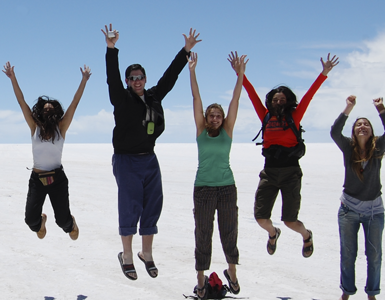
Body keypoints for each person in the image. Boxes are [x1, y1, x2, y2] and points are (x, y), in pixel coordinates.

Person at [101, 24, 200, 280]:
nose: (136, 81)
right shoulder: (121, 98)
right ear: (127, 81)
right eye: (132, 78)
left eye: (140, 77)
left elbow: (170, 76)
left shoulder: (154, 96)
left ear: (145, 79)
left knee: (153, 205)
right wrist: (111, 50)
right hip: (126, 160)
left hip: (149, 158)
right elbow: (112, 78)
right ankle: (127, 255)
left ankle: (147, 253)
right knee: (129, 205)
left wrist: (185, 51)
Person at [243, 53, 339, 258]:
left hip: (291, 173)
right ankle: (273, 233)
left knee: (290, 220)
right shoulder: (265, 116)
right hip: (269, 172)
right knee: (261, 218)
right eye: (275, 99)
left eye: (282, 99)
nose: (279, 102)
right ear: (271, 101)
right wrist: (241, 75)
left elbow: (309, 96)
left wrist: (323, 74)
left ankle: (306, 235)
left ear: (288, 102)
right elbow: (252, 96)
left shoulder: (294, 117)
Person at [1, 61, 90, 241]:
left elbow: (75, 102)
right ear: (40, 113)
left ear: (56, 113)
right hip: (37, 179)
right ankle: (41, 221)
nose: (48, 112)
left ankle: (70, 223)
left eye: (51, 110)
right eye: (45, 109)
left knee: (62, 221)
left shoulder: (61, 127)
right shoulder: (34, 127)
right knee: (30, 221)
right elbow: (21, 101)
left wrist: (84, 81)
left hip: (57, 178)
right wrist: (12, 78)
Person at [188, 51, 246, 298]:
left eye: (218, 116)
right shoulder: (201, 130)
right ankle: (201, 278)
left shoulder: (228, 131)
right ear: (205, 118)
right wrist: (192, 71)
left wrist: (240, 75)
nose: (214, 118)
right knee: (203, 234)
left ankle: (232, 273)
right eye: (211, 115)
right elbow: (196, 97)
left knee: (229, 231)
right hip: (203, 188)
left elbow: (235, 100)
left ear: (223, 119)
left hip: (226, 188)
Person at [331, 95, 385, 300]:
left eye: (366, 124)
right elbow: (334, 132)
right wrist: (348, 108)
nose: (362, 126)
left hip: (374, 210)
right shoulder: (348, 148)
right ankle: (346, 292)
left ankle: (372, 294)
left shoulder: (378, 148)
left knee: (374, 256)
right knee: (348, 255)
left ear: (371, 130)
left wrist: (381, 109)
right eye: (359, 124)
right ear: (354, 130)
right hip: (348, 209)